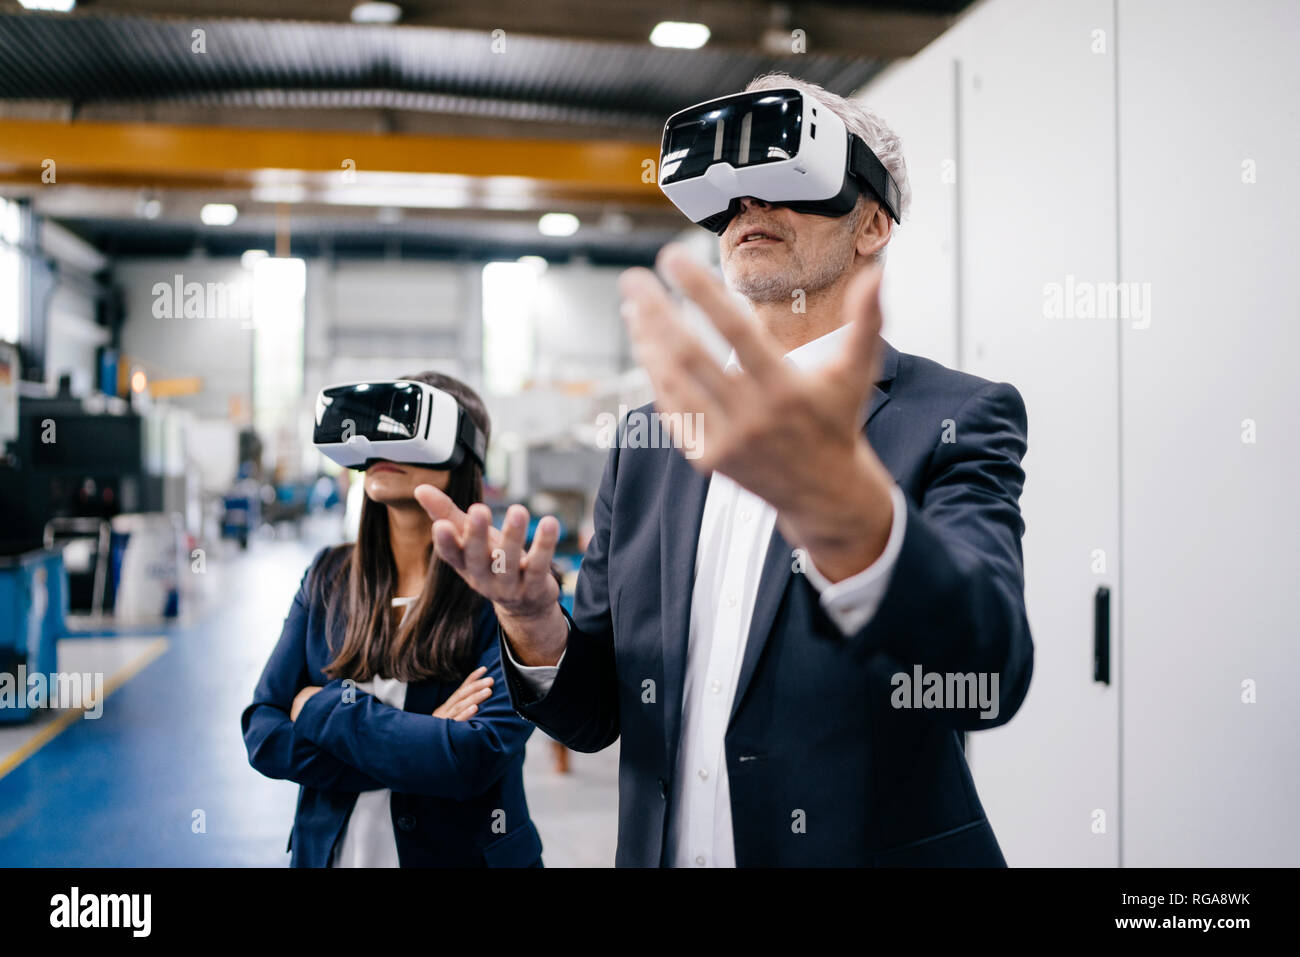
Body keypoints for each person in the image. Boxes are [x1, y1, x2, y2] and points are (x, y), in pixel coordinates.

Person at [417, 73, 1033, 867]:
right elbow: (599, 712)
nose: (748, 209)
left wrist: (850, 516)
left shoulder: (956, 414)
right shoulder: (651, 438)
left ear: (873, 223)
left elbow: (985, 676)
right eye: (730, 197)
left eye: (783, 182)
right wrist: (536, 624)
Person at [241, 371, 542, 867]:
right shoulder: (327, 576)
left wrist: (322, 708)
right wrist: (423, 736)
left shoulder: (505, 590)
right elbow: (264, 733)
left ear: (460, 450)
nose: (382, 443)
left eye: (405, 427)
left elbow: (472, 759)